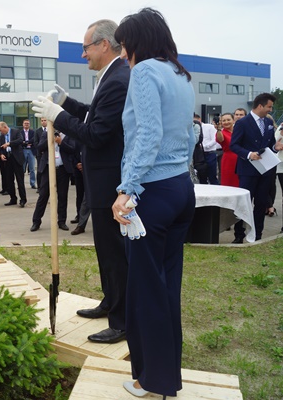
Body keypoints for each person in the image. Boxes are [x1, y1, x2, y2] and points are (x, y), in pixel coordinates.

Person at [110, 8, 197, 398]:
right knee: (166, 289)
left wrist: (126, 189)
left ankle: (152, 380)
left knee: (146, 291)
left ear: (137, 42)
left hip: (151, 193)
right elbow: (189, 134)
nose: (123, 53)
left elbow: (148, 134)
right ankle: (166, 376)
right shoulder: (179, 74)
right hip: (180, 189)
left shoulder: (145, 71)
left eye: (124, 44)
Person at [32, 19, 130, 344]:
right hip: (101, 181)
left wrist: (57, 116)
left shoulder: (118, 79)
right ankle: (110, 301)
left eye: (86, 47)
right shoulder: (110, 77)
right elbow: (92, 115)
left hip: (110, 181)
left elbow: (97, 133)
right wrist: (66, 103)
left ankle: (122, 321)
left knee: (114, 253)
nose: (83, 54)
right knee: (105, 249)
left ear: (104, 44)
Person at [230, 93, 282, 243]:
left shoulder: (268, 122)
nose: (270, 110)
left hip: (266, 170)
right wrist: (249, 154)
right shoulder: (242, 123)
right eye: (269, 107)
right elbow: (234, 145)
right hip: (247, 170)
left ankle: (257, 234)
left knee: (261, 203)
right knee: (243, 204)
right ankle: (239, 235)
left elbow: (269, 145)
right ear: (260, 106)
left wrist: (275, 147)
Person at [30, 129, 75, 232]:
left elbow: (72, 149)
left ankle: (61, 221)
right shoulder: (46, 133)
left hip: (62, 170)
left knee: (62, 196)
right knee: (43, 195)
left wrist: (61, 142)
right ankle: (36, 221)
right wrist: (49, 139)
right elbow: (39, 147)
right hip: (48, 169)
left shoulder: (68, 134)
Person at [0, 121, 27, 207]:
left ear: (5, 127)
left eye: (1, 130)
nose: (0, 132)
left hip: (17, 159)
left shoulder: (16, 132)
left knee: (20, 180)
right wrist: (1, 154)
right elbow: (0, 147)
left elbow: (20, 140)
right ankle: (13, 198)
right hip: (8, 159)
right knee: (9, 180)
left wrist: (9, 144)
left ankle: (23, 199)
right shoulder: (1, 137)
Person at [194, 113, 220, 185]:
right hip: (199, 155)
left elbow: (215, 139)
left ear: (199, 119)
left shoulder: (209, 127)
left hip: (209, 153)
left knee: (212, 176)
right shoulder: (193, 128)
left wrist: (205, 146)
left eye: (196, 121)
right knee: (201, 177)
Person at [216, 113, 239, 187]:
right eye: (224, 121)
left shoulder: (238, 131)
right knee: (229, 182)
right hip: (229, 160)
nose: (226, 122)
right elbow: (220, 139)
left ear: (233, 120)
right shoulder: (221, 133)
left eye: (228, 120)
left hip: (241, 158)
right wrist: (218, 129)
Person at [20, 119, 37, 188]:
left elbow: (33, 140)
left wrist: (25, 142)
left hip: (31, 151)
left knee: (32, 168)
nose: (26, 125)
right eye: (25, 123)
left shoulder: (33, 132)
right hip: (23, 151)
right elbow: (20, 141)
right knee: (22, 169)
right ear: (23, 124)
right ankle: (21, 184)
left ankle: (32, 184)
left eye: (27, 123)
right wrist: (27, 143)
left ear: (29, 125)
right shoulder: (20, 132)